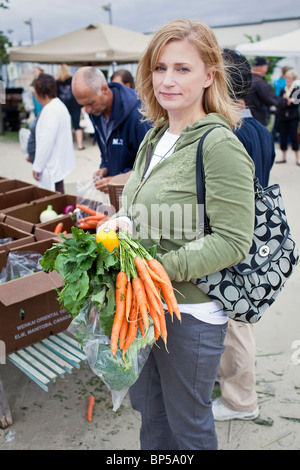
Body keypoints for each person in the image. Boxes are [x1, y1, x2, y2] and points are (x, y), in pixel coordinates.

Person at [100, 19, 255, 450]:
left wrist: (153, 269)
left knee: (188, 427)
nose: (168, 80)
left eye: (183, 69)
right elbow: (141, 207)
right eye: (160, 67)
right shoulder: (155, 136)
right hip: (145, 307)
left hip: (190, 314)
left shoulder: (219, 145)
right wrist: (122, 223)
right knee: (151, 414)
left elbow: (231, 240)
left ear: (209, 76)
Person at [211, 49, 276, 423]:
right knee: (236, 321)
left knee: (236, 324)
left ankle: (241, 402)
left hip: (236, 243)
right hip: (253, 238)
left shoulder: (231, 134)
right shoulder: (258, 130)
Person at [72, 67, 151, 194]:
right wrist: (105, 167)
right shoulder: (97, 111)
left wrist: (118, 179)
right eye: (83, 105)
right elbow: (107, 148)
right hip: (116, 191)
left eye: (90, 103)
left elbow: (151, 164)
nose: (87, 110)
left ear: (104, 89)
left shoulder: (138, 115)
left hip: (139, 194)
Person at [32, 73, 76, 193]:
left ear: (39, 92)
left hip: (52, 165)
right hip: (58, 162)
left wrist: (37, 166)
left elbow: (46, 141)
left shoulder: (51, 110)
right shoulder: (58, 106)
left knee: (53, 200)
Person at [246, 57, 283, 127]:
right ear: (261, 67)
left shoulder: (246, 79)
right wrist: (286, 101)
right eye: (266, 67)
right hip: (258, 118)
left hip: (247, 117)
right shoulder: (259, 82)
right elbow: (271, 99)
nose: (267, 69)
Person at [56, 64, 84, 150]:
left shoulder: (57, 82)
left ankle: (66, 146)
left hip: (62, 107)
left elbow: (55, 95)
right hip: (75, 105)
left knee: (64, 127)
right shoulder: (73, 80)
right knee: (77, 125)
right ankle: (80, 145)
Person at [276, 69, 300, 165]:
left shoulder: (296, 90)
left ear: (293, 79)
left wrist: (286, 100)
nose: (288, 80)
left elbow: (295, 103)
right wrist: (288, 100)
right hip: (283, 117)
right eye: (287, 78)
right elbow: (280, 103)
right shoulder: (283, 90)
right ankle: (283, 157)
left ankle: (297, 158)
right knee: (283, 136)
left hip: (293, 117)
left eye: (290, 78)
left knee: (294, 136)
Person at [272, 65, 291, 141]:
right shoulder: (285, 83)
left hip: (277, 103)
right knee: (283, 124)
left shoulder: (277, 81)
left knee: (277, 124)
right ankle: (283, 139)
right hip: (283, 103)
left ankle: (274, 138)